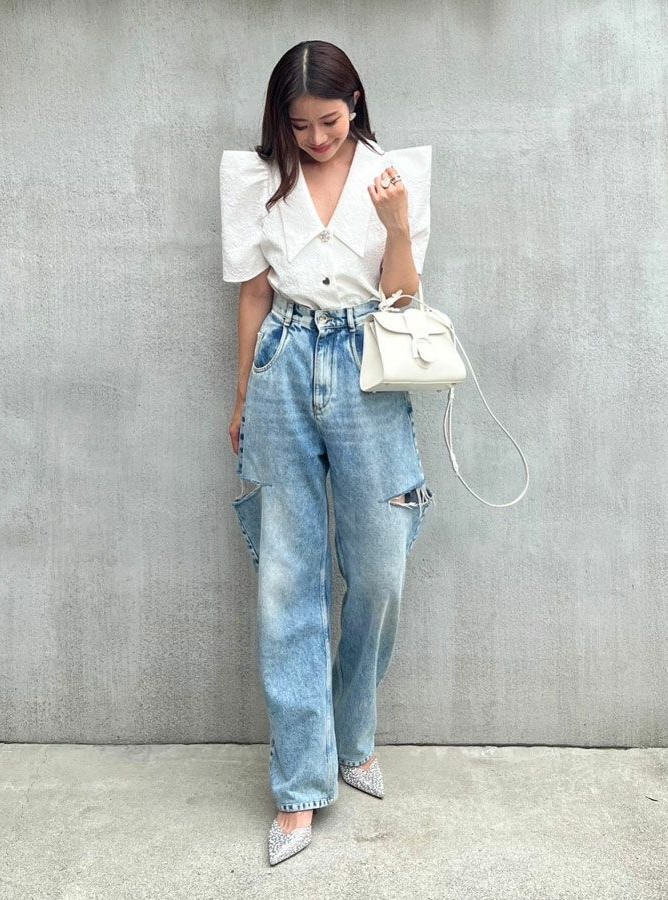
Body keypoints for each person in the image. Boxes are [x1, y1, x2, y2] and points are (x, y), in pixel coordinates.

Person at [219, 40, 434, 866]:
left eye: (330, 122)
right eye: (300, 124)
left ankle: (355, 734)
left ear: (356, 106)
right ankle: (301, 784)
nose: (315, 139)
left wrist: (395, 225)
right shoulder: (257, 178)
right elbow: (254, 292)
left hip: (367, 365)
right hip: (282, 364)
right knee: (287, 581)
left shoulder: (393, 176)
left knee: (379, 571)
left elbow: (405, 300)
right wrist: (243, 395)